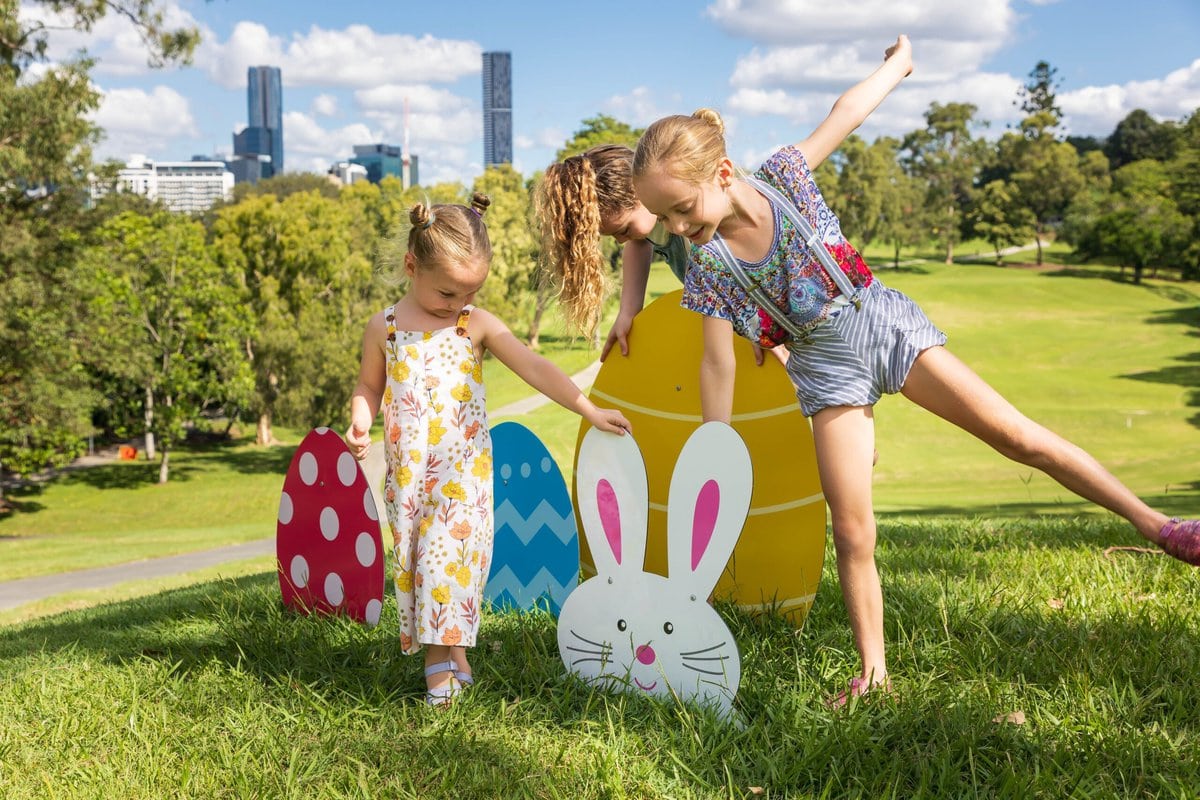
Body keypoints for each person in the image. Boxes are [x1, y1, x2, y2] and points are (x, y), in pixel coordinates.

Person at [630, 36, 1200, 707]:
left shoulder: (782, 177)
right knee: (851, 530)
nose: (673, 225)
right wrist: (716, 439)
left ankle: (1156, 525)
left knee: (1018, 437)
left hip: (880, 321)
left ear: (722, 174)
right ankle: (874, 673)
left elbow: (847, 115)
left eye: (680, 208)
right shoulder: (709, 267)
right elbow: (715, 357)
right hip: (824, 370)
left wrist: (896, 67)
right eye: (662, 216)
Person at [345, 194, 631, 706]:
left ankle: (438, 668)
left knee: (447, 562)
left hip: (462, 478)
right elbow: (368, 386)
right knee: (423, 564)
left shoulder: (472, 324)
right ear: (412, 266)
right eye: (447, 291)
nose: (457, 302)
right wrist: (360, 419)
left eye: (470, 292)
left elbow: (535, 367)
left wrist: (587, 409)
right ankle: (456, 657)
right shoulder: (384, 328)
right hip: (409, 481)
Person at [535, 143, 692, 361]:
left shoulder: (693, 227)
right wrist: (628, 311)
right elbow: (639, 241)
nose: (620, 240)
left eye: (624, 230)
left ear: (639, 192)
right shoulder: (654, 218)